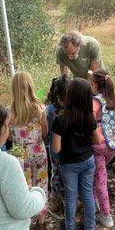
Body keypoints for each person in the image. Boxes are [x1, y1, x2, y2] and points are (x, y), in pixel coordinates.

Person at [52, 78, 100, 230]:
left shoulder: (60, 120)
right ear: (88, 98)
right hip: (88, 160)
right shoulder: (89, 118)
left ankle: (70, 229)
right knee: (87, 193)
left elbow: (56, 148)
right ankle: (90, 229)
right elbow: (98, 140)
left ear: (69, 96)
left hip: (69, 164)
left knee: (71, 196)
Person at [9, 71, 48, 230]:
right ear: (30, 87)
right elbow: (45, 132)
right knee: (41, 185)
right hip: (38, 151)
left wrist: (19, 141)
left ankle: (25, 223)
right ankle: (41, 223)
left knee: (23, 188)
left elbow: (8, 136)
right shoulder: (39, 109)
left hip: (19, 156)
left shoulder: (10, 112)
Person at [89, 70, 115, 227]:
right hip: (113, 145)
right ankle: (94, 202)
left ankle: (106, 214)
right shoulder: (114, 100)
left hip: (99, 144)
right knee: (98, 174)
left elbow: (90, 118)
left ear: (94, 85)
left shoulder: (96, 101)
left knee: (100, 178)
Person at [45, 74, 70, 216]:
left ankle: (57, 198)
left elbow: (47, 131)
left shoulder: (49, 110)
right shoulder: (51, 110)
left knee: (58, 174)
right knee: (60, 173)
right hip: (63, 149)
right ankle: (58, 199)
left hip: (58, 148)